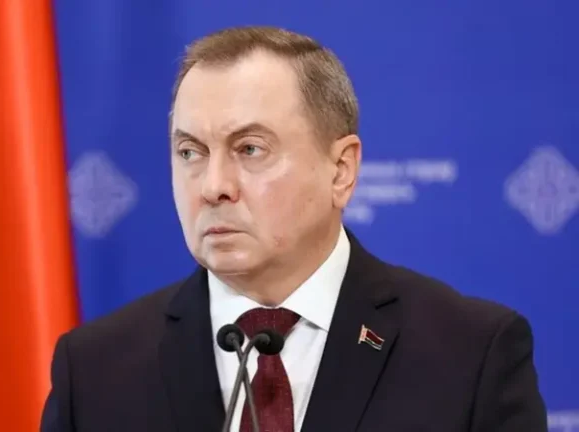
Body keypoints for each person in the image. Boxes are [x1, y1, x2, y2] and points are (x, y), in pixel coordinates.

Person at [40, 26, 547, 431]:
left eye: (250, 149)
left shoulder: (470, 354)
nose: (213, 186)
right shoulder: (94, 370)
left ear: (341, 171)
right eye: (190, 152)